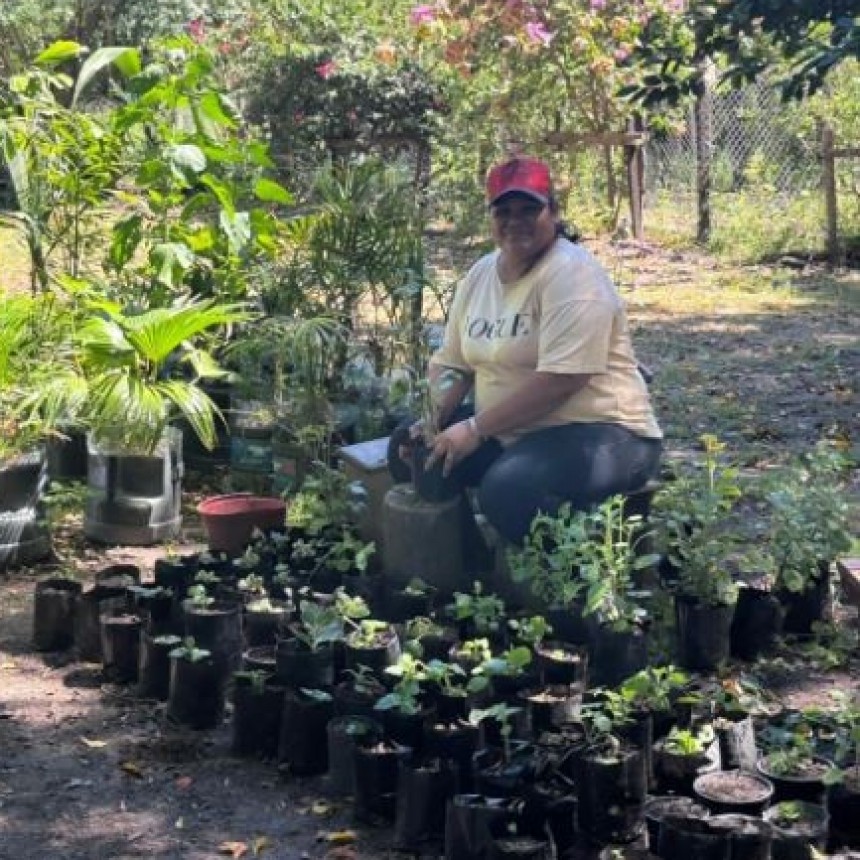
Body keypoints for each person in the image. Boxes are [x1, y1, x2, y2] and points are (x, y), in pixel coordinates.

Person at [392, 155, 663, 545]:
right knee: (414, 452)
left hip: (602, 431)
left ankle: (585, 583)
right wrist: (431, 419)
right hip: (516, 430)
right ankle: (471, 574)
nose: (515, 220)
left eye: (529, 208)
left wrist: (474, 429)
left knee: (510, 492)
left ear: (553, 211)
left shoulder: (572, 274)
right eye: (504, 211)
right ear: (491, 218)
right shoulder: (481, 274)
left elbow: (561, 380)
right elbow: (455, 364)